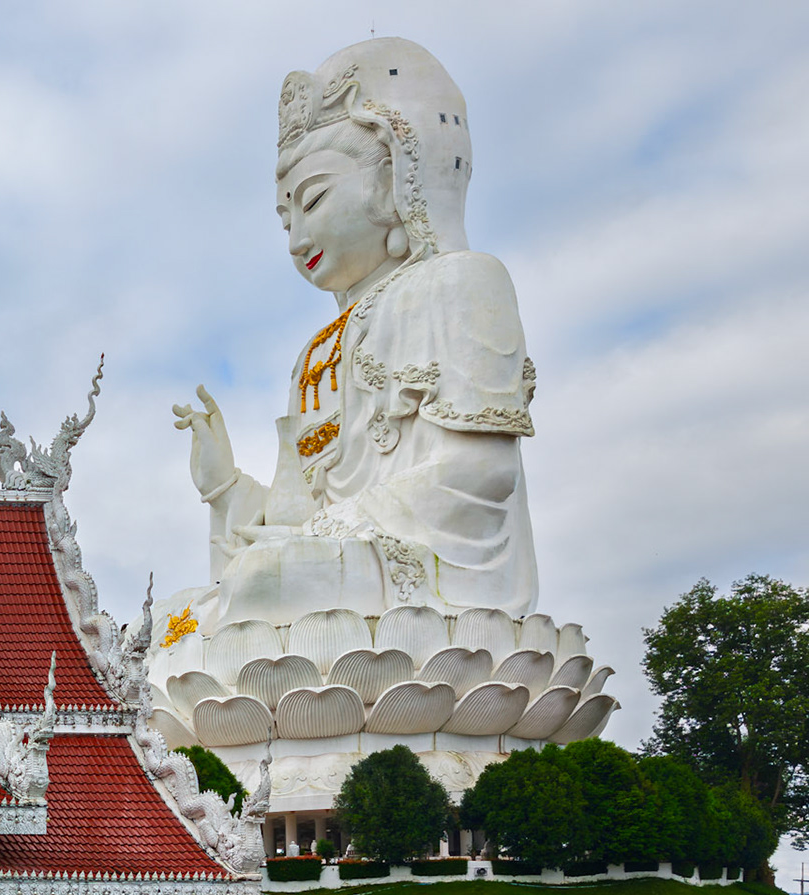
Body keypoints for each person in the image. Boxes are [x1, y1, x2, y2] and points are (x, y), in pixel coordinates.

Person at [172, 37, 537, 629]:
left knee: (263, 581)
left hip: (437, 572)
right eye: (285, 218)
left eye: (313, 201)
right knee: (176, 621)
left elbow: (482, 473)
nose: (295, 240)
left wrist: (322, 537)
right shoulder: (314, 354)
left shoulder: (463, 282)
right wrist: (226, 488)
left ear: (395, 175)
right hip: (336, 561)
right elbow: (302, 508)